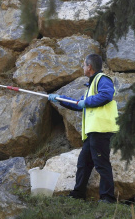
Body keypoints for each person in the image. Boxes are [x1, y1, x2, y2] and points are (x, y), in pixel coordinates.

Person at [48, 54, 119, 204]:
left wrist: (85, 102)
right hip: (93, 132)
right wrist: (60, 99)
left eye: (83, 64)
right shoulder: (91, 86)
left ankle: (108, 198)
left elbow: (107, 95)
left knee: (101, 163)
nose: (82, 67)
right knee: (83, 163)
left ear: (90, 67)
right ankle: (78, 194)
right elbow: (78, 103)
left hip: (101, 130)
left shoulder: (102, 79)